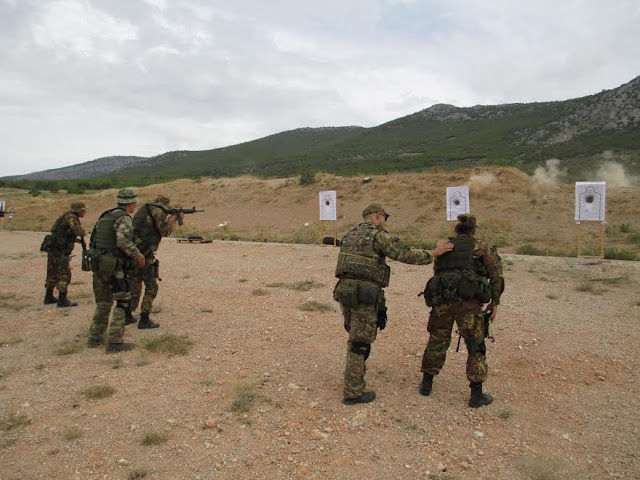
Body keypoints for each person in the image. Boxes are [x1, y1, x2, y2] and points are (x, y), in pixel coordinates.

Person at [333, 203, 453, 405]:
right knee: (359, 343)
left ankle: (353, 380)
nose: (385, 222)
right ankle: (353, 392)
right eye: (385, 218)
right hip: (365, 294)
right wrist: (433, 253)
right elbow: (404, 253)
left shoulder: (350, 235)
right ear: (378, 216)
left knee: (355, 337)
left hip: (345, 292)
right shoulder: (377, 235)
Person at [419, 214, 504, 408]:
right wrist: (495, 303)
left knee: (437, 340)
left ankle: (426, 384)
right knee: (475, 345)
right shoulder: (482, 247)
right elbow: (496, 276)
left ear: (456, 231)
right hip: (468, 305)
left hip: (443, 302)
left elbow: (438, 273)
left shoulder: (445, 247)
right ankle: (476, 395)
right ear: (473, 231)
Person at [87, 188, 145, 353]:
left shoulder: (105, 216)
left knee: (103, 303)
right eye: (134, 202)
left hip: (99, 264)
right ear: (130, 203)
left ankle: (95, 338)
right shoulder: (124, 218)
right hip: (114, 267)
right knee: (123, 302)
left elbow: (94, 241)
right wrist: (137, 254)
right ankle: (115, 342)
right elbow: (123, 241)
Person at [128, 195, 181, 329]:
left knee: (134, 283)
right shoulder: (158, 211)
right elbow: (165, 231)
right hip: (145, 254)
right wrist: (172, 220)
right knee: (151, 286)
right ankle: (144, 319)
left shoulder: (144, 209)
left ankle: (127, 314)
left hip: (133, 252)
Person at [43, 202, 87, 307]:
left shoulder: (66, 216)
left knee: (52, 272)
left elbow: (63, 233)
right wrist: (83, 233)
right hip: (60, 250)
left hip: (53, 247)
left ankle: (48, 297)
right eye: (83, 210)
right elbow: (78, 231)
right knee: (65, 274)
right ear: (79, 210)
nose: (85, 212)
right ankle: (62, 300)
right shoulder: (71, 217)